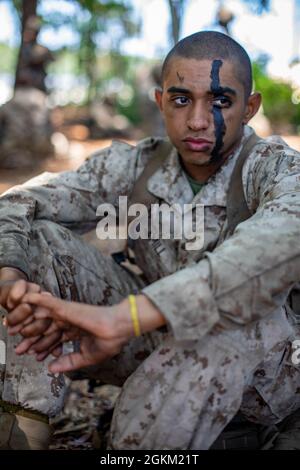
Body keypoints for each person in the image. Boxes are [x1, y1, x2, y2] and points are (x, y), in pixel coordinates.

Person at [1, 30, 300, 450]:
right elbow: (19, 201)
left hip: (272, 375)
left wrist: (133, 315)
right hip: (157, 348)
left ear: (250, 107)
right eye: (181, 100)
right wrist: (10, 279)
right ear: (161, 102)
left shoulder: (273, 168)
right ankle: (20, 431)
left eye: (220, 101)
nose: (197, 120)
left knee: (225, 312)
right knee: (37, 243)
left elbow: (284, 239)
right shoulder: (136, 165)